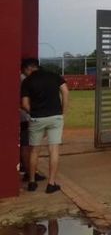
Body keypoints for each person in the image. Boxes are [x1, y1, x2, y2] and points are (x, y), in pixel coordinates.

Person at [20, 60, 69, 193]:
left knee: (34, 150)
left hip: (37, 118)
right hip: (55, 117)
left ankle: (31, 182)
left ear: (29, 68)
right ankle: (51, 183)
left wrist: (33, 111)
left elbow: (24, 104)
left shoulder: (27, 81)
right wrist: (63, 112)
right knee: (53, 150)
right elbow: (65, 91)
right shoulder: (54, 76)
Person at [19, 58, 46, 184]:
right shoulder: (25, 80)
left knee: (27, 145)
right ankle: (30, 173)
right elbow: (25, 103)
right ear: (28, 69)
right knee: (27, 145)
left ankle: (28, 170)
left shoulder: (22, 79)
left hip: (24, 116)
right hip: (25, 116)